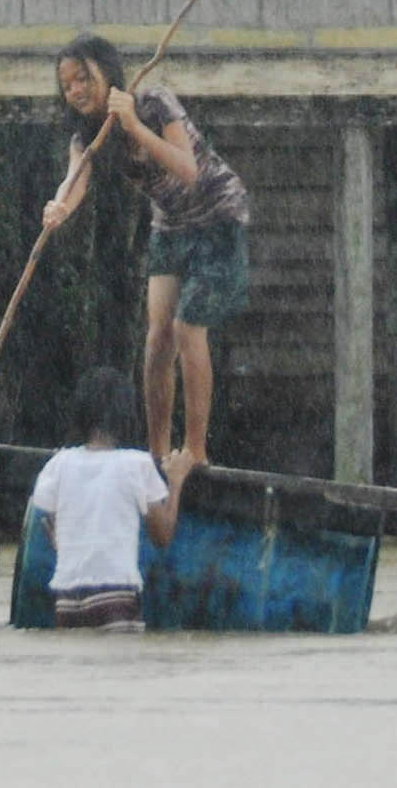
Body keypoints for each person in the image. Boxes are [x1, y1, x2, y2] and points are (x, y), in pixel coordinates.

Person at [37, 31, 249, 469]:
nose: (76, 90)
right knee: (157, 339)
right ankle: (156, 451)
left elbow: (187, 169)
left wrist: (133, 125)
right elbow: (74, 182)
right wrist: (59, 208)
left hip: (218, 213)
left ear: (106, 71)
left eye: (83, 78)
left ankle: (196, 449)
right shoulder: (88, 136)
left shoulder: (153, 103)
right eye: (67, 85)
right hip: (170, 224)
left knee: (188, 327)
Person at [25, 367, 190, 631]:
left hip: (66, 598)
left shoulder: (59, 463)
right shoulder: (136, 464)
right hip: (115, 596)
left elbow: (48, 521)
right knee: (121, 660)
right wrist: (176, 481)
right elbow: (163, 536)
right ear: (127, 415)